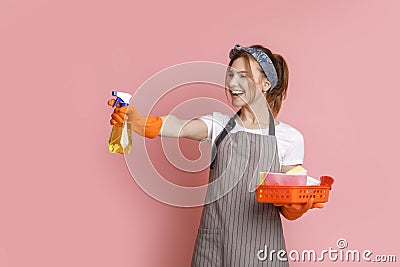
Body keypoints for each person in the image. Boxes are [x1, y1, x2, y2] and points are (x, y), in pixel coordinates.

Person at [108, 44, 324, 266]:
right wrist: (142, 122)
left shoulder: (290, 138)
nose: (232, 83)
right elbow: (179, 126)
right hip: (214, 247)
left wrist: (294, 207)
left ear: (265, 84)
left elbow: (290, 192)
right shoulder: (219, 124)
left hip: (263, 248)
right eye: (230, 75)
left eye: (243, 76)